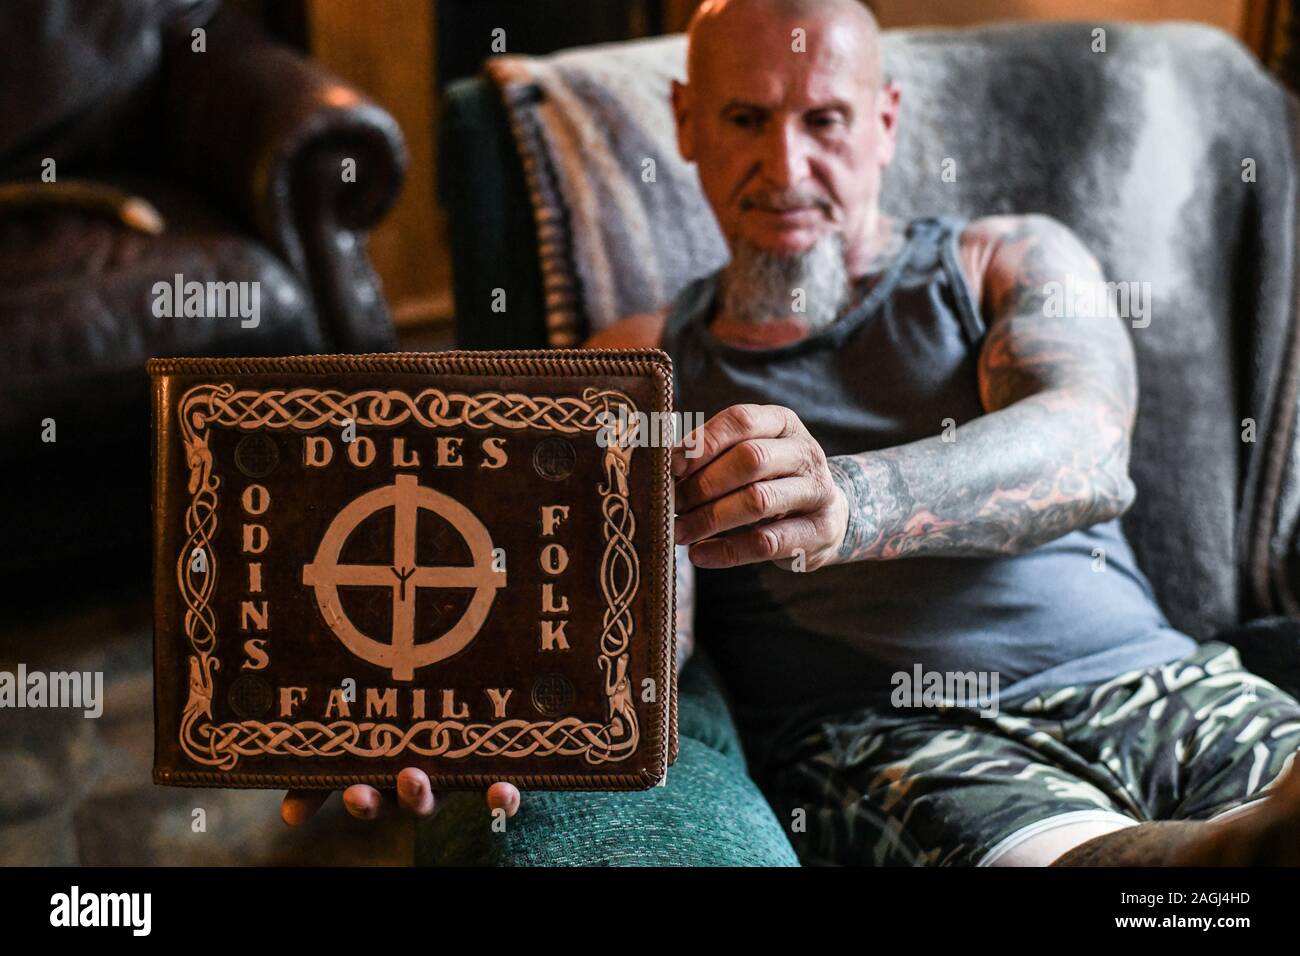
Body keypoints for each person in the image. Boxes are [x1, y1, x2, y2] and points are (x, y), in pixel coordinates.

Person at [284, 0, 1300, 865]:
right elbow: (632, 599)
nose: (786, 164)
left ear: (886, 121)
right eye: (744, 116)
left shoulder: (1003, 257)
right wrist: (461, 694)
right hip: (881, 738)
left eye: (825, 118)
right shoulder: (640, 358)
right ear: (686, 123)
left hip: (1155, 678)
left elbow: (1084, 448)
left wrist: (847, 500)